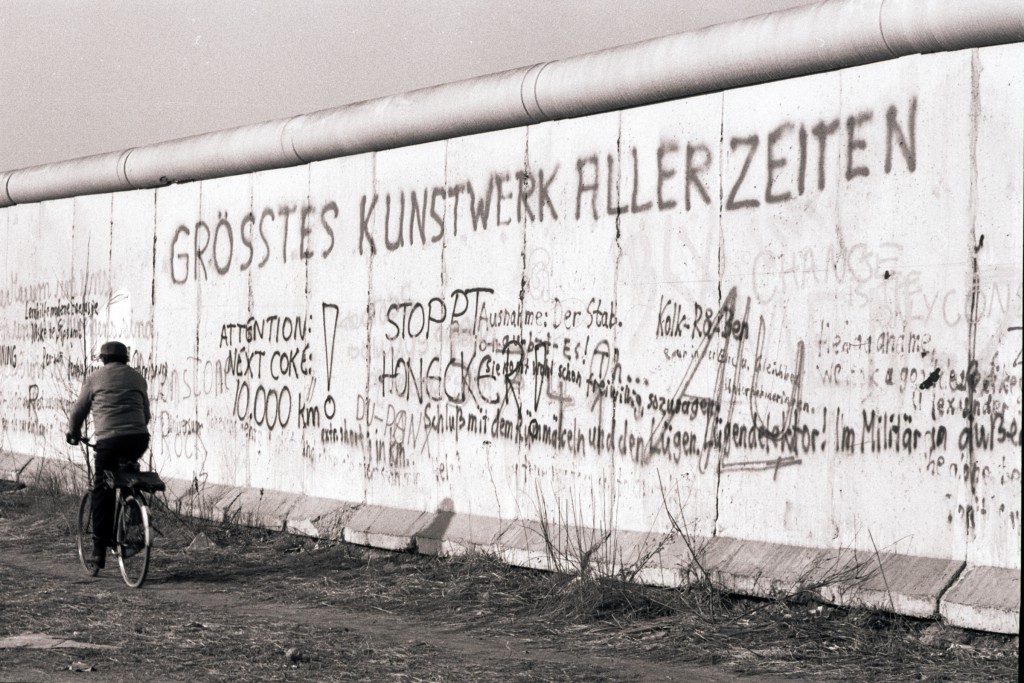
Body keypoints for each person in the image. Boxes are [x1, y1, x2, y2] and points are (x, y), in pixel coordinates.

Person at [66, 341, 151, 569]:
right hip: (138, 439)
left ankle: (98, 549)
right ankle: (130, 526)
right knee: (125, 480)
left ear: (103, 359)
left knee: (102, 488)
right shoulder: (137, 378)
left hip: (109, 441)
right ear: (126, 358)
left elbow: (77, 413)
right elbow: (146, 415)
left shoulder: (95, 378)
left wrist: (73, 433)